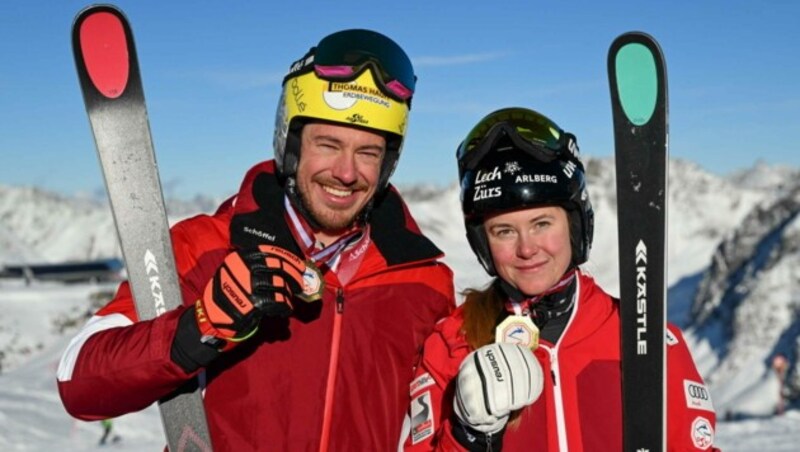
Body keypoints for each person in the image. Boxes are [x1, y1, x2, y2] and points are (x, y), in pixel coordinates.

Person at [57, 29, 455, 450]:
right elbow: (78, 380)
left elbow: (433, 430)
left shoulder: (423, 283)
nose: (346, 172)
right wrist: (198, 328)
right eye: (328, 144)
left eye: (369, 152)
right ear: (291, 144)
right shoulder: (208, 246)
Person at [404, 107, 719, 451]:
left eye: (542, 224)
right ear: (483, 244)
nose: (527, 248)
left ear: (574, 226)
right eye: (504, 231)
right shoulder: (450, 346)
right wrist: (468, 436)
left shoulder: (645, 338)